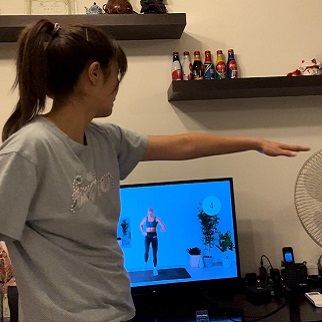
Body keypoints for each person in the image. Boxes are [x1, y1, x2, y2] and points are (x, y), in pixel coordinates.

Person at [0, 19, 310, 322]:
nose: (117, 87)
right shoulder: (29, 150)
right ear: (94, 73)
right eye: (116, 75)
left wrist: (254, 142)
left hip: (118, 310)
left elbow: (182, 145)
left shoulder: (105, 140)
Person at [139, 208, 166, 276]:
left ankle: (154, 269)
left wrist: (163, 229)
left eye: (151, 214)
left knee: (154, 253)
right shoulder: (145, 218)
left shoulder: (156, 218)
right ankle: (145, 264)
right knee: (146, 250)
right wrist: (143, 232)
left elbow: (164, 226)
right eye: (149, 214)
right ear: (147, 213)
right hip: (147, 236)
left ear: (153, 213)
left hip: (154, 236)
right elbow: (140, 225)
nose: (150, 215)